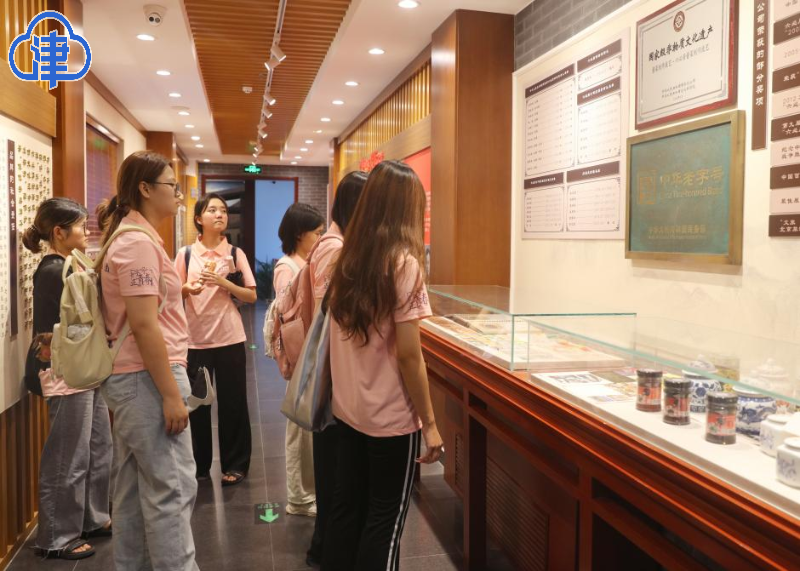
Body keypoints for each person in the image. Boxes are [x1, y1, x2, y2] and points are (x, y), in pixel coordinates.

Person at [323, 161, 444, 571]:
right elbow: (410, 355)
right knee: (385, 520)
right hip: (390, 418)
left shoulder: (346, 258)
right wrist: (429, 423)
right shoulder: (404, 264)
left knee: (347, 509)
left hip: (349, 411)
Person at [96, 150, 199, 570]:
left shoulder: (135, 237)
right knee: (171, 490)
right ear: (145, 188)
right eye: (171, 186)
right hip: (147, 380)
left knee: (135, 493)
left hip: (135, 379)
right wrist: (171, 395)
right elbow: (143, 324)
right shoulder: (137, 243)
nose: (178, 194)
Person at [23, 198, 112, 560]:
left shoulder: (72, 264)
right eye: (79, 226)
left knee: (98, 447)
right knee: (68, 455)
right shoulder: (53, 271)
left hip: (85, 368)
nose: (86, 231)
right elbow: (64, 328)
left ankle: (92, 518)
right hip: (65, 372)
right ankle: (56, 536)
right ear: (59, 233)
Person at [304, 171, 367, 566]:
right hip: (329, 372)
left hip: (331, 370)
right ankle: (323, 549)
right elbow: (328, 317)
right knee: (332, 471)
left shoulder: (333, 244)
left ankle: (323, 545)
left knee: (334, 469)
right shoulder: (334, 248)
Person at [175, 193, 257, 486]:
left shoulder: (234, 253)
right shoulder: (186, 254)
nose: (220, 214)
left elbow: (251, 295)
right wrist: (188, 289)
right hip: (194, 340)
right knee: (197, 405)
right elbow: (172, 293)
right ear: (199, 218)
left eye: (223, 210)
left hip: (230, 338)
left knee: (234, 403)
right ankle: (198, 465)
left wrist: (223, 283)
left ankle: (235, 464)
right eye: (212, 210)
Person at [273, 202, 325, 516]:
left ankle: (308, 492)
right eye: (317, 232)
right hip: (300, 356)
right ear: (299, 234)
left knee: (307, 429)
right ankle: (298, 498)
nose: (320, 237)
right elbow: (288, 317)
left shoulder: (306, 263)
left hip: (308, 355)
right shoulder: (287, 267)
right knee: (298, 429)